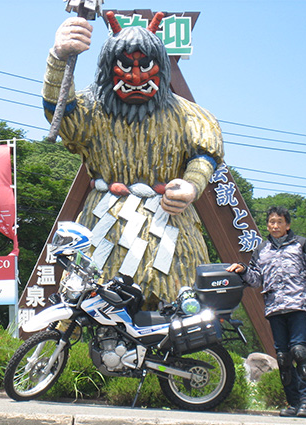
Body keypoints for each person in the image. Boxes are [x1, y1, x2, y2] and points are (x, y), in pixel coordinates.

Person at [42, 13, 224, 307]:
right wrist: (59, 58)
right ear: (108, 68)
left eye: (145, 66)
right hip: (105, 220)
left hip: (169, 223)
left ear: (161, 68)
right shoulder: (91, 108)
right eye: (125, 66)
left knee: (175, 304)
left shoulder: (189, 115)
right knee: (95, 305)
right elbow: (60, 114)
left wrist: (191, 186)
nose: (136, 76)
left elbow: (205, 155)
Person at [227, 206, 306, 418]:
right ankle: (293, 403)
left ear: (287, 225)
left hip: (298, 306)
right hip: (274, 308)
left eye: (280, 222)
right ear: (268, 225)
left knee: (299, 351)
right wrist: (243, 270)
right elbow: (256, 279)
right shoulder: (262, 249)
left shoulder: (302, 245)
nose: (275, 225)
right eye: (272, 222)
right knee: (282, 357)